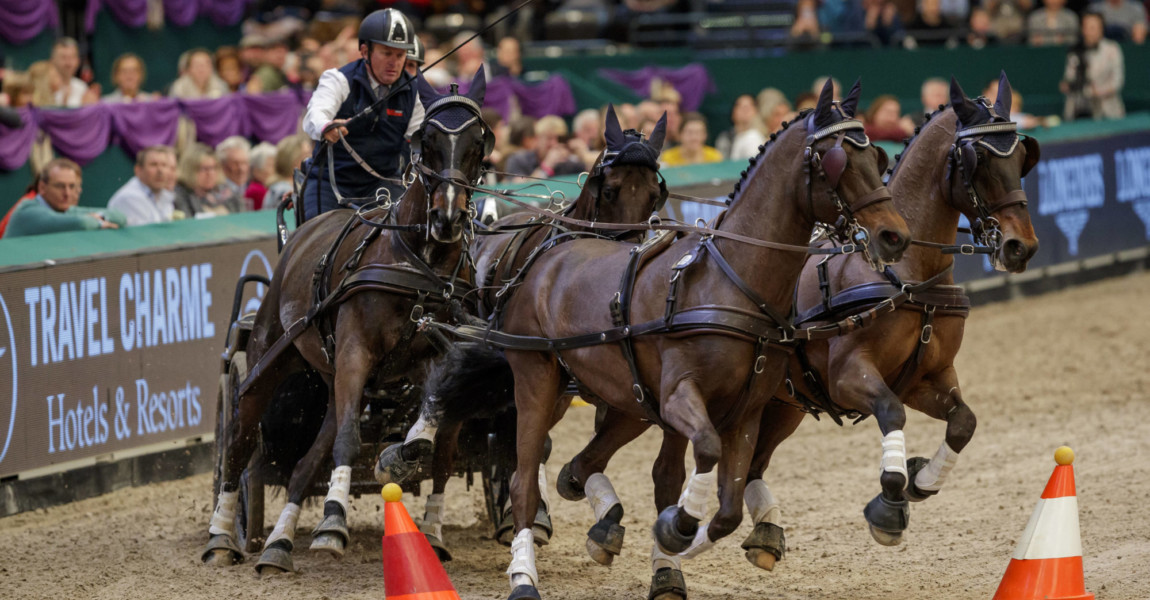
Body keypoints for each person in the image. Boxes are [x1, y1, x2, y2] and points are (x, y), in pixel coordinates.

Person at [300, 8, 425, 220]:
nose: (394, 62)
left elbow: (418, 146)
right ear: (366, 51)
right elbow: (315, 114)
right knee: (317, 242)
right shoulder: (338, 80)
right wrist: (326, 127)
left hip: (382, 184)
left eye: (400, 55)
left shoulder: (415, 94)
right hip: (330, 183)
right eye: (386, 53)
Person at [5, 159, 126, 238]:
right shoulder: (27, 211)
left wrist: (100, 217)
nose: (67, 193)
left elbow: (119, 217)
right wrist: (98, 222)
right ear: (42, 187)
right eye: (60, 186)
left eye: (72, 186)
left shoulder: (66, 210)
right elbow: (81, 223)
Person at [1061, 12, 1126, 120]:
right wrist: (1067, 85)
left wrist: (1097, 92)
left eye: (1095, 28)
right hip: (1079, 111)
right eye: (1088, 27)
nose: (1091, 32)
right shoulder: (1075, 50)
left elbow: (1117, 82)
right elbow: (1069, 76)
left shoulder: (1112, 49)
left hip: (1108, 112)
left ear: (1102, 29)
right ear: (1083, 29)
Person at [107, 146, 178, 226]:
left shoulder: (165, 195)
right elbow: (149, 234)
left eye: (164, 165)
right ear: (138, 170)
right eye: (153, 165)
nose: (160, 171)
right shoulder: (129, 197)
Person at [174, 143, 245, 218]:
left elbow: (241, 216)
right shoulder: (180, 194)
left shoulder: (224, 189)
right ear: (190, 170)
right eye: (204, 169)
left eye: (214, 168)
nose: (210, 173)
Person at [504, 115, 585, 179]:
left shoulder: (568, 163)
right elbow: (519, 188)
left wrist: (583, 155)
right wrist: (547, 166)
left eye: (559, 139)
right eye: (549, 138)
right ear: (537, 139)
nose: (554, 143)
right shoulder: (518, 160)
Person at [263, 133, 314, 210]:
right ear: (293, 160)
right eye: (306, 155)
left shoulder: (277, 187)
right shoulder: (284, 191)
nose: (311, 159)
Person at [715, 94, 766, 160]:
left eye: (749, 107)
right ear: (733, 112)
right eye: (740, 106)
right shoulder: (724, 138)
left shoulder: (759, 135)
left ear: (756, 111)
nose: (745, 110)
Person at [50, 38, 98, 107]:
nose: (68, 63)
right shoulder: (44, 87)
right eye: (63, 57)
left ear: (78, 60)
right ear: (52, 60)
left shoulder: (82, 87)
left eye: (72, 57)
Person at [246, 142, 277, 210]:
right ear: (256, 171)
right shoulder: (256, 190)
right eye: (270, 165)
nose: (276, 169)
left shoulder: (268, 188)